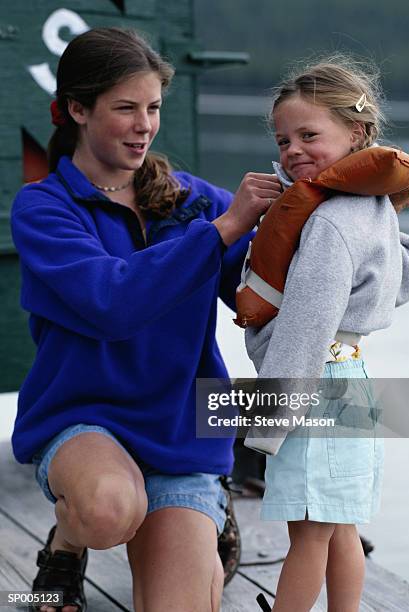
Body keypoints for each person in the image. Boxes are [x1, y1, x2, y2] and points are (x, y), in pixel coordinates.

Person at [10, 27, 282, 612]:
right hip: (84, 420)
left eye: (153, 108)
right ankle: (62, 552)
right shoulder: (42, 209)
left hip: (183, 431)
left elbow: (267, 298)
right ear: (76, 110)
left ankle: (212, 509)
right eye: (126, 108)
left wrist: (345, 219)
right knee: (109, 509)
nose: (144, 125)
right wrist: (225, 230)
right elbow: (113, 304)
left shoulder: (195, 202)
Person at [244, 56, 409, 611]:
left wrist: (268, 419)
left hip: (314, 387)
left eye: (308, 135)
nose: (292, 149)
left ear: (358, 133)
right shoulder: (374, 206)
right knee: (341, 524)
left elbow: (305, 326)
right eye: (283, 138)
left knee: (307, 533)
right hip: (354, 380)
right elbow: (403, 282)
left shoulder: (326, 222)